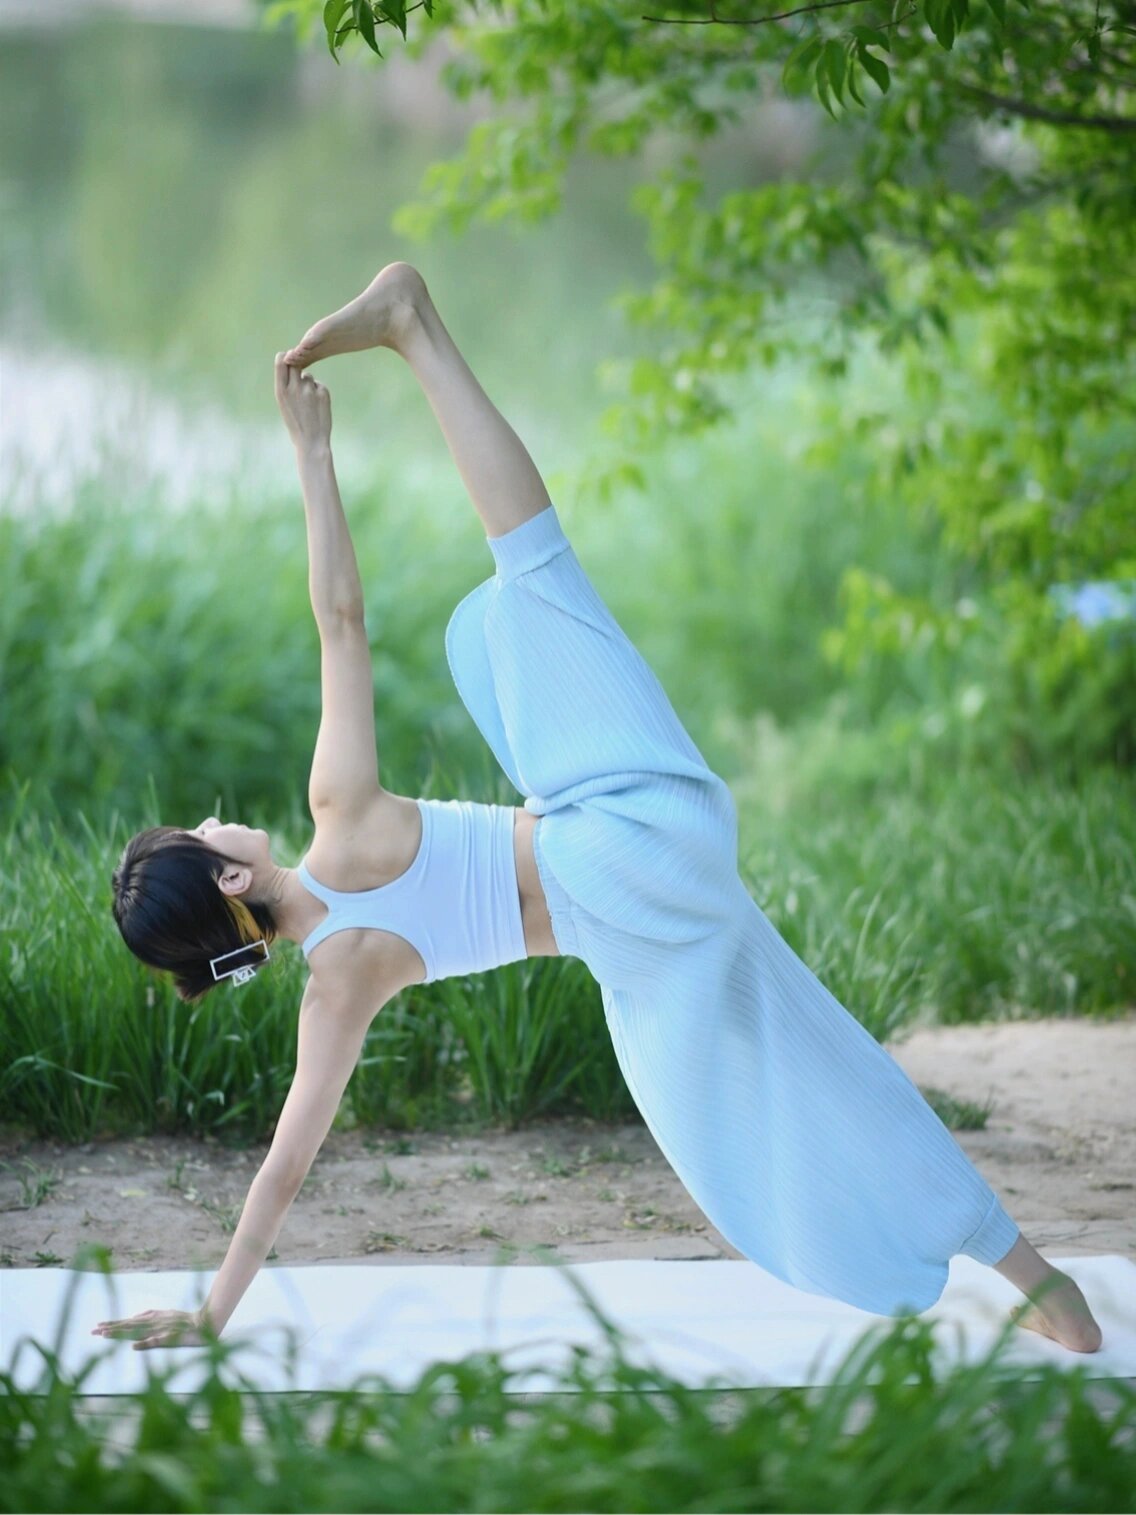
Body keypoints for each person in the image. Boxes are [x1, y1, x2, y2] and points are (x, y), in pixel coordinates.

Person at [96, 263, 1102, 1356]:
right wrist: (312, 453)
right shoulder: (336, 812)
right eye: (204, 833)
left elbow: (285, 1168)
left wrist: (209, 1312)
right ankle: (415, 326)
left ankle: (1026, 1273)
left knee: (810, 1075)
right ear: (230, 873)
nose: (215, 819)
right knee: (534, 574)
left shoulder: (334, 990)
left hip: (645, 942)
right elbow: (340, 617)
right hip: (633, 835)